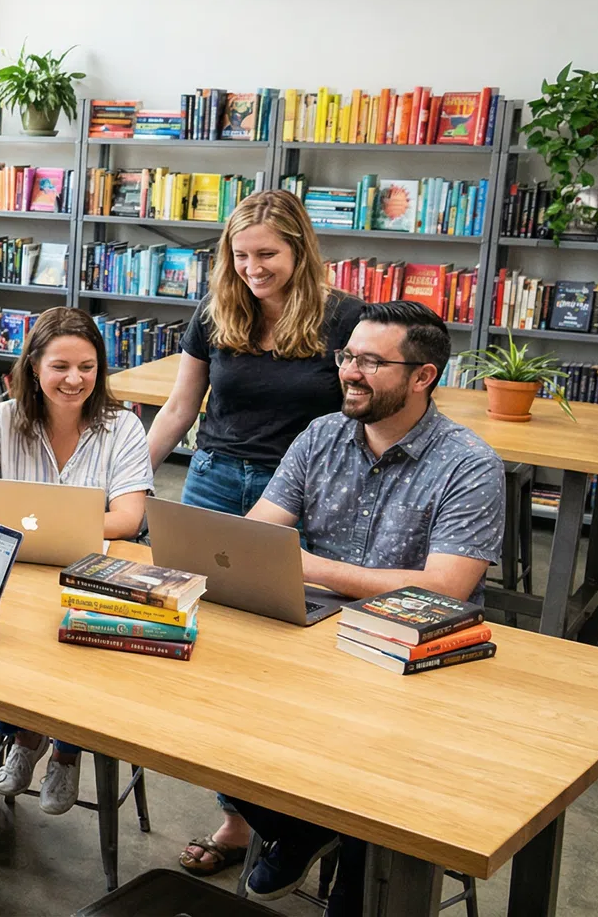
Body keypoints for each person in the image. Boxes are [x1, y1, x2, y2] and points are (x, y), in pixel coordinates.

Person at [231, 300, 504, 914]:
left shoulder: (468, 463)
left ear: (422, 376)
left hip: (415, 660)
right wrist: (267, 556)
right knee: (196, 714)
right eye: (347, 356)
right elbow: (257, 536)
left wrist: (308, 566)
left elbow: (444, 590)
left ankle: (353, 865)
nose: (350, 372)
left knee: (373, 780)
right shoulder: (321, 434)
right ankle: (303, 828)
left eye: (371, 362)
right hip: (314, 639)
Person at [150, 190, 366, 874]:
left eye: (266, 254)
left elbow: (363, 416)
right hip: (214, 480)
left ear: (300, 248)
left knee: (277, 656)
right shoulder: (216, 312)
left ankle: (294, 806)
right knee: (204, 647)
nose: (252, 268)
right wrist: (127, 476)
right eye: (240, 255)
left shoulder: (347, 319)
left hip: (300, 494)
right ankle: (238, 818)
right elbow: (182, 406)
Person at [0, 307, 152, 813]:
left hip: (90, 580)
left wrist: (58, 525)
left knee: (78, 642)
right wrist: (64, 520)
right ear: (34, 366)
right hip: (20, 570)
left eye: (87, 366)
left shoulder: (123, 427)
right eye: (60, 366)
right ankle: (24, 735)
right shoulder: (4, 418)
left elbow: (127, 518)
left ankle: (65, 748)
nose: (74, 379)